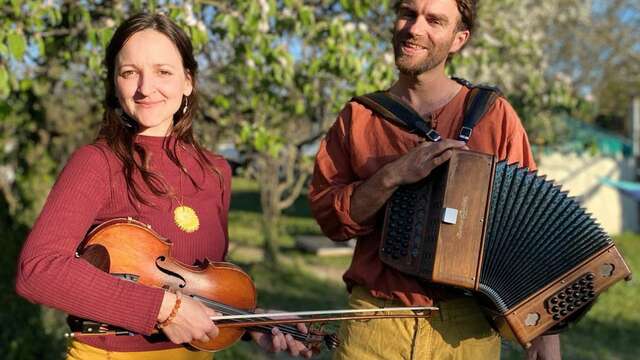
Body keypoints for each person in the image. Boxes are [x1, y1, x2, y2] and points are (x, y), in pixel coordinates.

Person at [15, 13, 312, 360]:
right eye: (129, 73)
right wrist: (162, 309)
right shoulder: (97, 162)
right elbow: (37, 271)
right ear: (114, 83)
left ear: (188, 81)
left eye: (163, 71)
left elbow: (197, 284)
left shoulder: (216, 170)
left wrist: (251, 321)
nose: (145, 88)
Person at [308, 1, 561, 359]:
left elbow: (529, 225)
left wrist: (546, 330)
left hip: (467, 329)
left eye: (434, 21)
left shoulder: (494, 114)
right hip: (375, 323)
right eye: (408, 13)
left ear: (459, 39)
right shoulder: (358, 116)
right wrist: (392, 176)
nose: (414, 28)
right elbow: (330, 221)